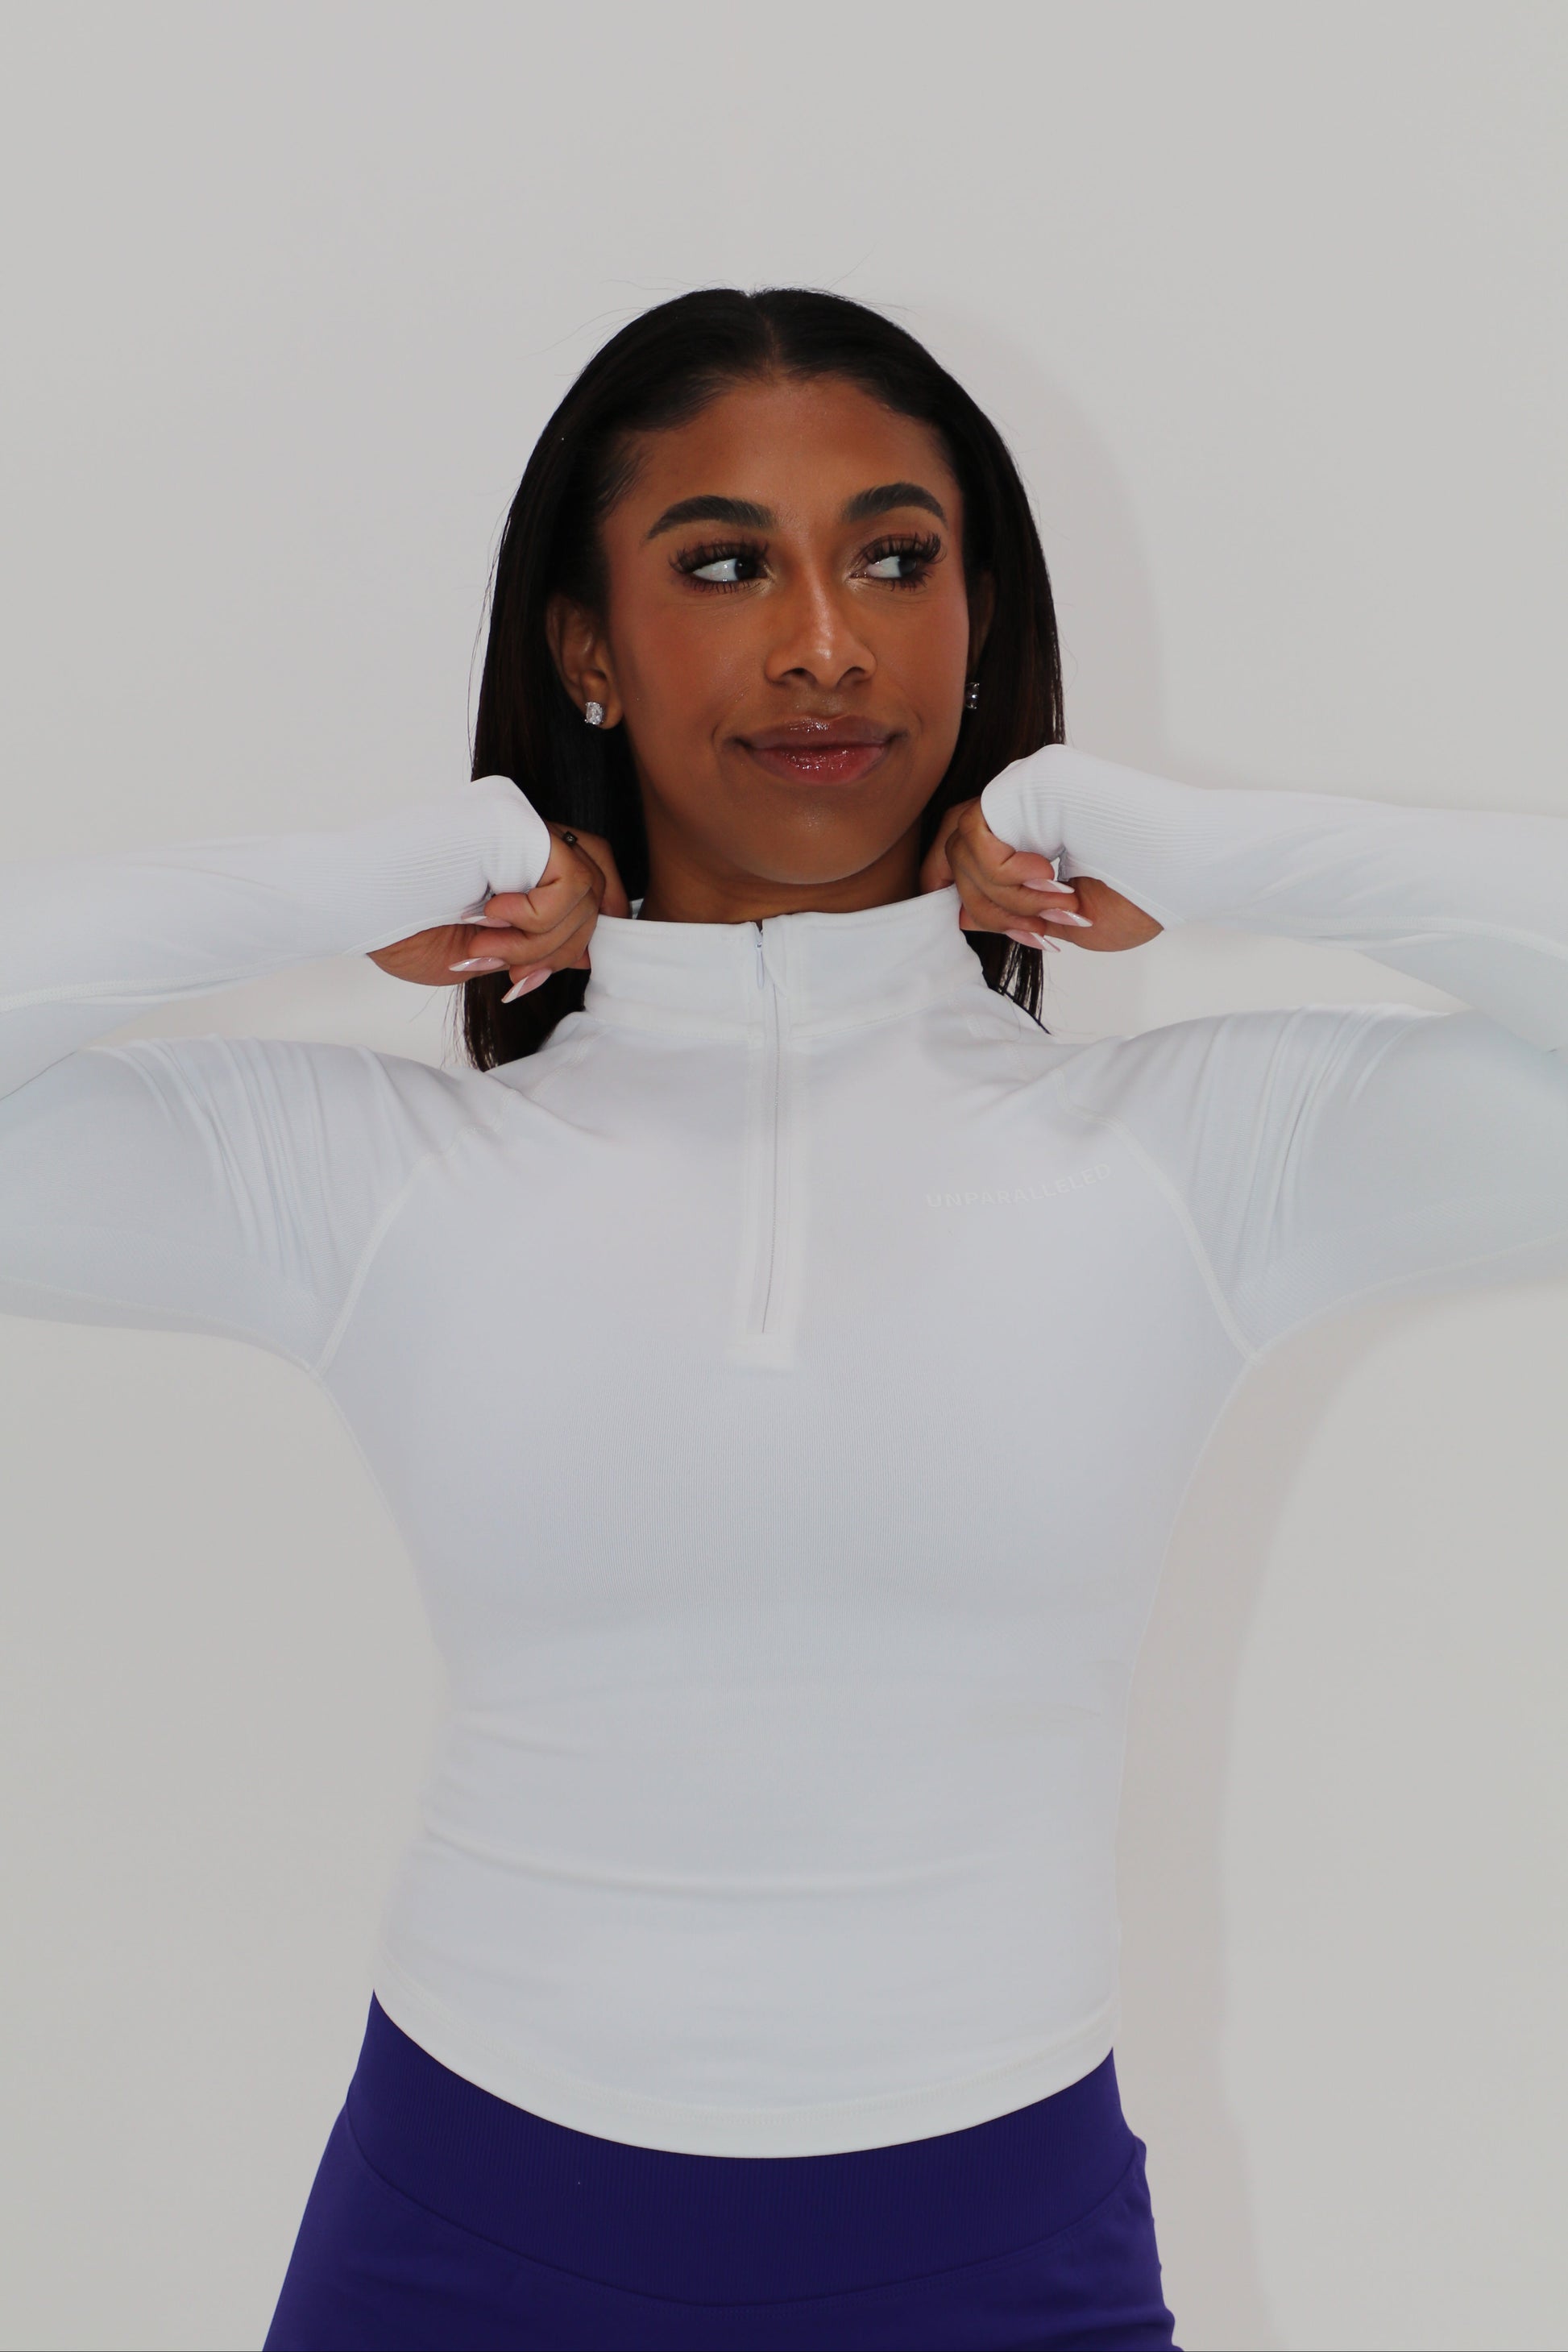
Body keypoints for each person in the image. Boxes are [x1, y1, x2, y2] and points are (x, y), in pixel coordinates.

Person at [2, 288, 1565, 2352]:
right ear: (587, 648)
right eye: (724, 565)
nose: (824, 641)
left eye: (894, 560)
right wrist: (378, 870)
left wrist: (1219, 846)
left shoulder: (1192, 1156)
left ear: (979, 625)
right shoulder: (385, 1178)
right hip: (464, 2237)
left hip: (996, 2252)